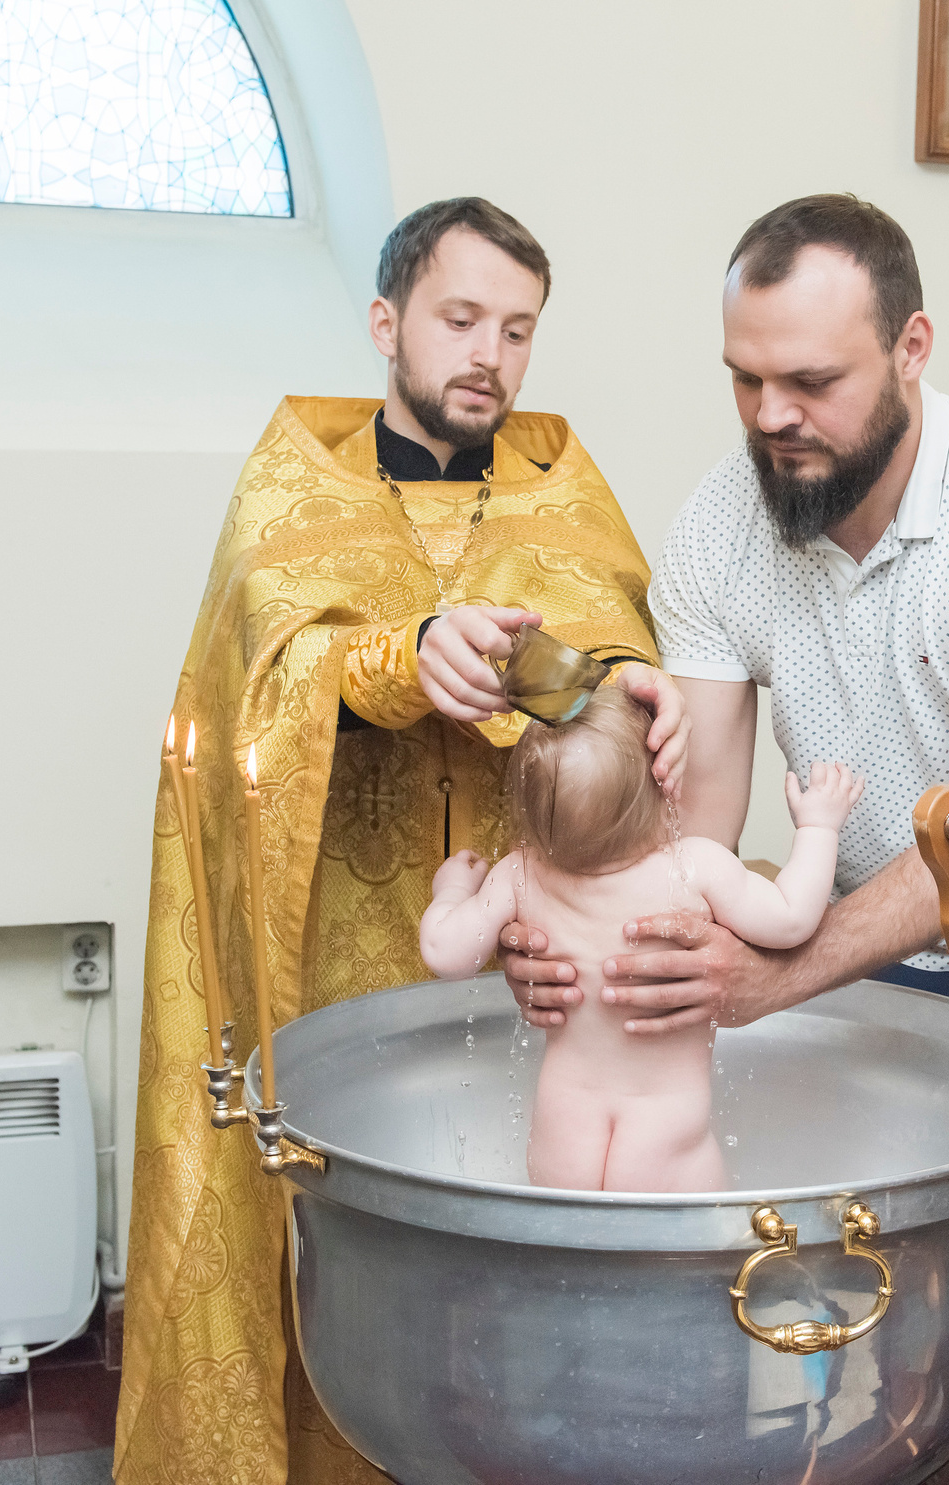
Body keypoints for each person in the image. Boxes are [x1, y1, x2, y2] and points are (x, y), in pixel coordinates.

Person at [501, 193, 949, 1483]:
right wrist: (594, 946)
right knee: (852, 1334)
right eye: (743, 379)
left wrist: (773, 974)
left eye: (809, 380)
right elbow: (694, 827)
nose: (769, 416)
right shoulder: (718, 526)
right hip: (851, 941)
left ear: (912, 349)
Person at [116, 197, 690, 1485]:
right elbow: (251, 688)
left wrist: (625, 686)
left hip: (525, 967)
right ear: (387, 323)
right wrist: (389, 656)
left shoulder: (567, 498)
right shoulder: (291, 491)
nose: (489, 353)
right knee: (343, 1259)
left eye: (519, 329)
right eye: (460, 318)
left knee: (509, 1284)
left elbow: (606, 664)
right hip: (331, 950)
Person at [419, 684, 862, 1192]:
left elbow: (444, 953)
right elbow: (792, 919)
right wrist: (818, 828)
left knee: (569, 1262)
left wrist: (453, 888)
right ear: (663, 789)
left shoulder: (519, 874)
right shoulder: (694, 867)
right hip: (666, 1130)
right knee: (687, 1264)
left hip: (563, 1128)